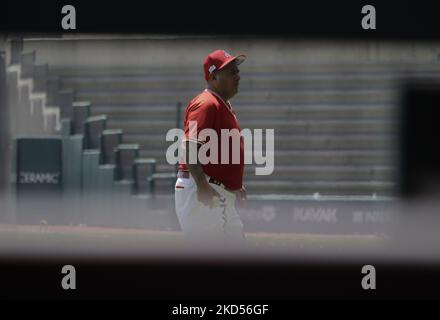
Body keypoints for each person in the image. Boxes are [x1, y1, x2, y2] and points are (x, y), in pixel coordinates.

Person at [174, 49, 247, 246]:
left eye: (237, 71)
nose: (237, 76)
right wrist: (202, 185)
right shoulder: (207, 103)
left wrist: (234, 184)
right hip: (204, 189)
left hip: (216, 189)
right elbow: (188, 147)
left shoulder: (222, 104)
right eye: (231, 72)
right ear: (214, 76)